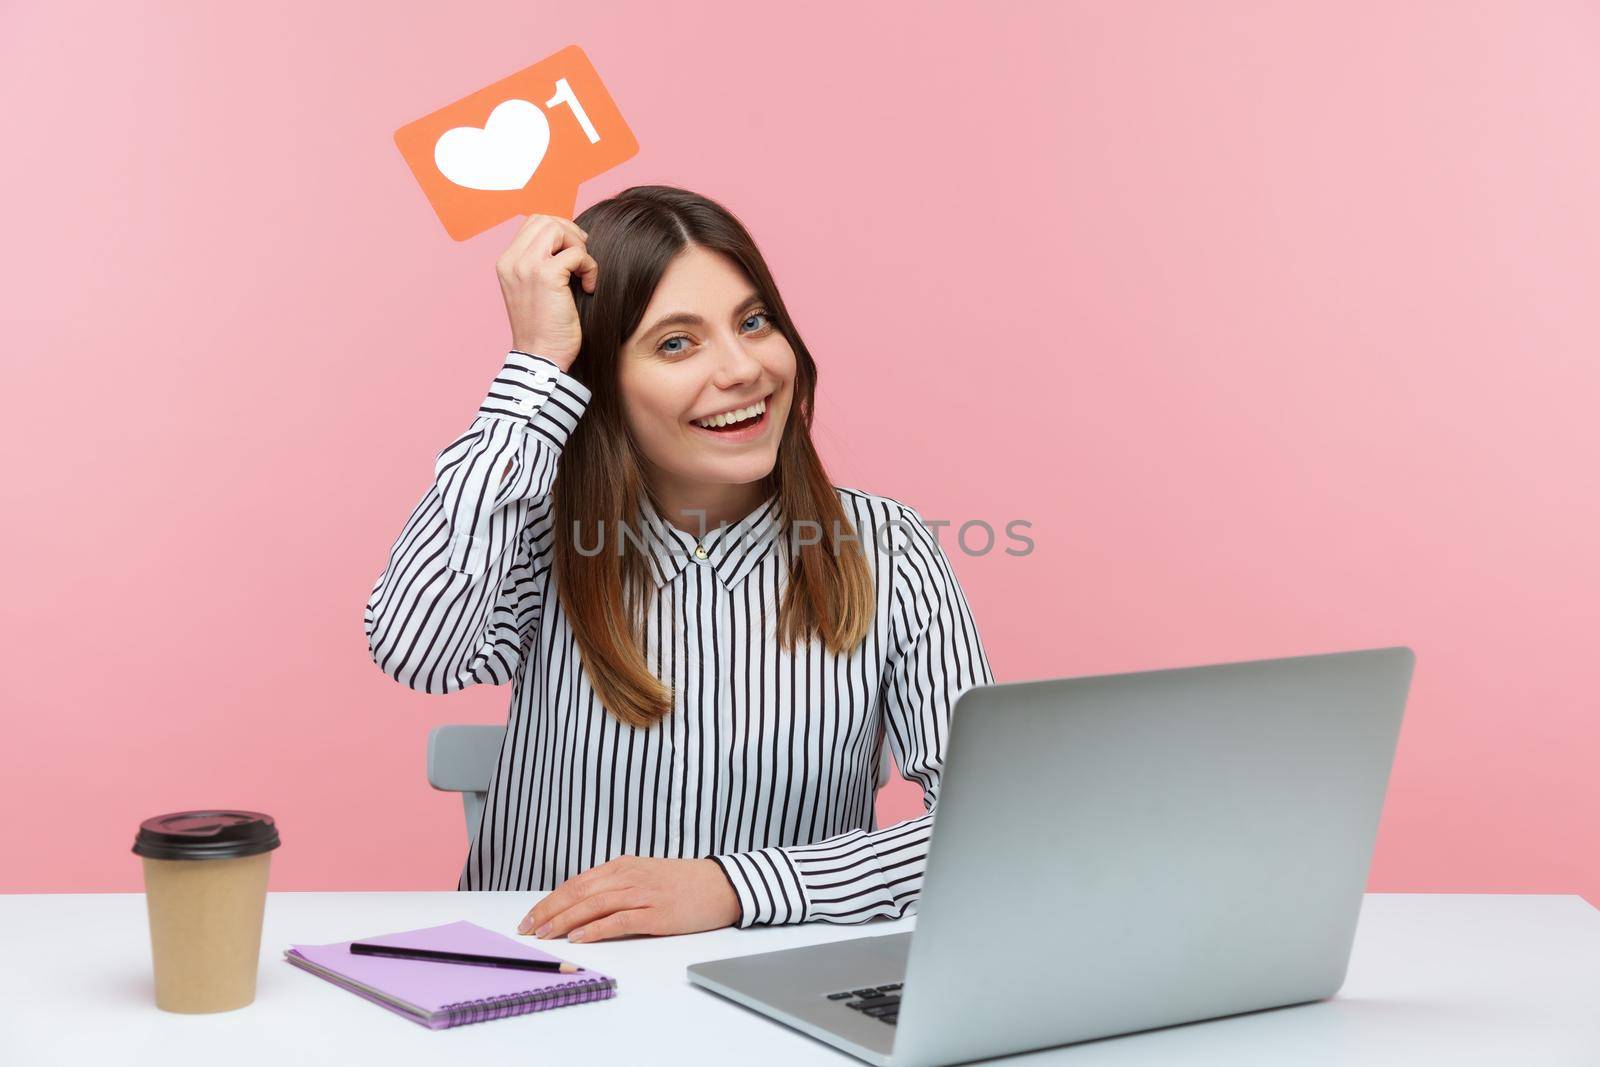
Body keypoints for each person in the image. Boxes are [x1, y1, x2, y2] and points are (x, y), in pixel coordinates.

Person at [365, 184, 993, 944]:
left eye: (754, 322)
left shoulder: (889, 548)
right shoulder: (537, 526)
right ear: (600, 385)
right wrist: (534, 368)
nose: (742, 370)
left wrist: (734, 886)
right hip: (539, 986)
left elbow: (988, 826)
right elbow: (416, 647)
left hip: (769, 984)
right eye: (676, 342)